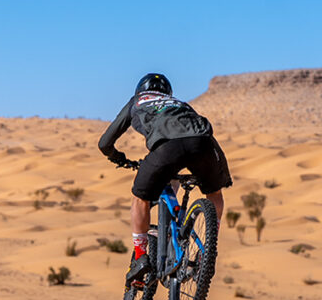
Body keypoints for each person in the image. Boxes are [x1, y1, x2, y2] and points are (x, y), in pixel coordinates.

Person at [98, 73, 232, 285]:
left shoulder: (138, 101)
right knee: (214, 192)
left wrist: (118, 158)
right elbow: (195, 132)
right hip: (205, 144)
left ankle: (140, 259)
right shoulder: (180, 103)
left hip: (167, 149)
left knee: (140, 198)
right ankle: (208, 251)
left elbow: (105, 143)